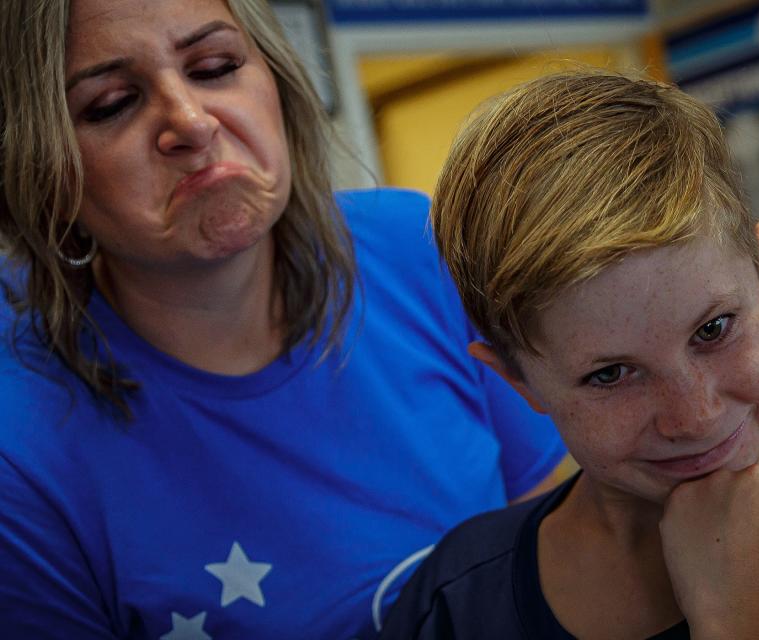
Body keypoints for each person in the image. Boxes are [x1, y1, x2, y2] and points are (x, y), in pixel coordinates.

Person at [0, 1, 567, 638]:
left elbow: (558, 555)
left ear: (278, 81)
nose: (190, 122)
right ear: (42, 168)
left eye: (214, 67)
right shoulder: (21, 445)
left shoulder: (416, 248)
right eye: (110, 104)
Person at [380, 72, 759, 638]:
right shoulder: (452, 600)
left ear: (758, 272)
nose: (696, 417)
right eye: (610, 373)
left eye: (713, 329)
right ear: (517, 380)